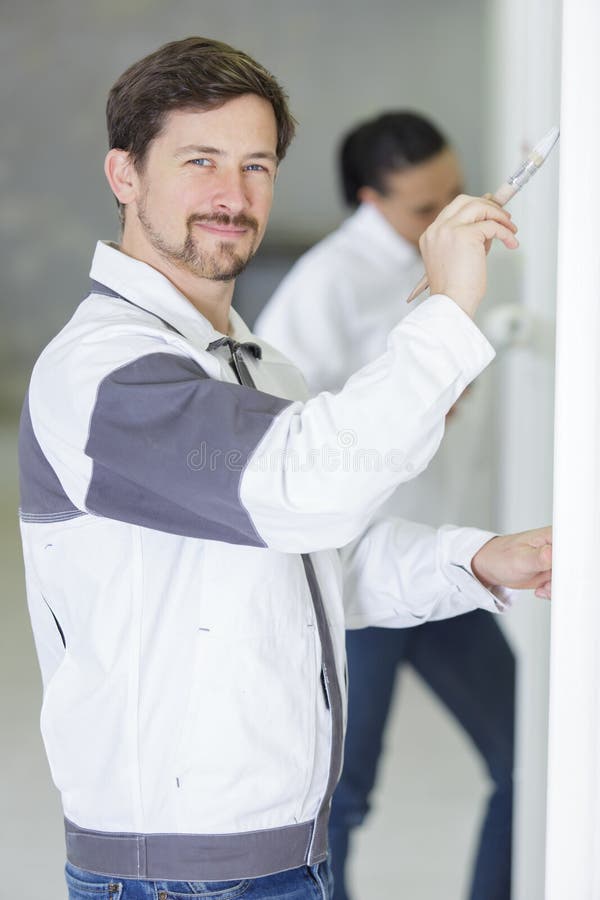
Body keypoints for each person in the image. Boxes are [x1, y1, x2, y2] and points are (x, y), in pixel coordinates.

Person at [18, 38, 551, 900]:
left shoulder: (258, 366)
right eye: (200, 161)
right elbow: (306, 488)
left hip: (284, 858)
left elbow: (307, 567)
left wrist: (478, 558)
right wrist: (451, 311)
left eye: (256, 166)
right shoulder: (104, 374)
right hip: (177, 880)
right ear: (125, 175)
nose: (234, 196)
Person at [255, 112, 517, 900]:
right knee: (343, 798)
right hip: (356, 576)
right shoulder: (325, 284)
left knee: (531, 754)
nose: (450, 217)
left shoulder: (455, 256)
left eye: (456, 192)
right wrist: (416, 406)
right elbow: (280, 440)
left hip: (444, 560)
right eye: (423, 207)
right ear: (370, 199)